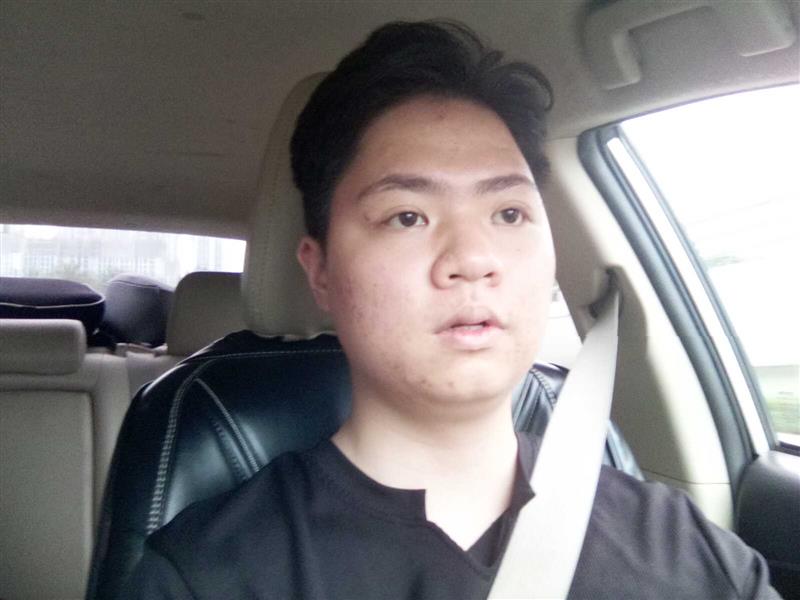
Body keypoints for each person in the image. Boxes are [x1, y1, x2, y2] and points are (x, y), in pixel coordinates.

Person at [123, 21, 779, 599]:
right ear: (320, 271)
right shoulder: (206, 577)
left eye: (509, 213)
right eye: (407, 216)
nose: (473, 258)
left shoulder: (692, 553)